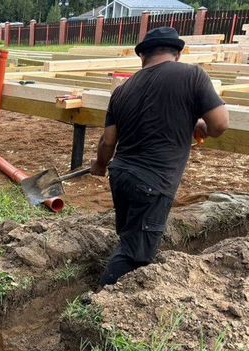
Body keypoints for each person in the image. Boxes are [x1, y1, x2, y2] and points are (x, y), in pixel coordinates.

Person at [90, 27, 229, 285]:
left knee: (131, 236)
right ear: (177, 53)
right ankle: (99, 304)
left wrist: (99, 165)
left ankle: (115, 287)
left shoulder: (122, 90)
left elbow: (108, 141)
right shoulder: (192, 75)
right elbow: (220, 124)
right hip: (153, 182)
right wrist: (205, 127)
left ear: (143, 56)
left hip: (120, 175)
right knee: (136, 254)